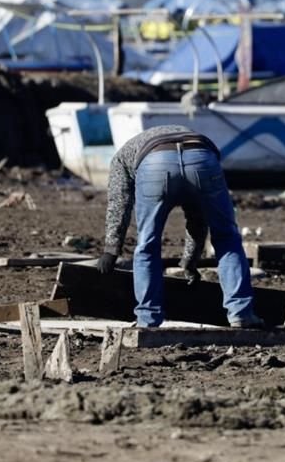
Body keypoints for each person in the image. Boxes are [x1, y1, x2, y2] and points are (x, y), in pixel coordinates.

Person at [98, 124, 263, 329]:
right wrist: (189, 261)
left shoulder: (121, 158)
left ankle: (147, 319)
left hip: (154, 163)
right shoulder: (182, 134)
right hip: (202, 157)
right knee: (226, 237)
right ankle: (241, 313)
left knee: (147, 244)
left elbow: (119, 202)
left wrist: (111, 250)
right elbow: (198, 218)